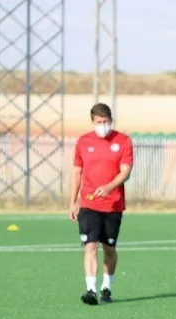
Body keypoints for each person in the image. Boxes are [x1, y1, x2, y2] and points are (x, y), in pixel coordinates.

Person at [69, 103, 134, 305]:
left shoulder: (123, 141)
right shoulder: (83, 142)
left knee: (109, 248)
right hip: (88, 203)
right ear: (92, 122)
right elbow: (76, 172)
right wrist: (72, 201)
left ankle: (107, 286)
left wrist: (109, 187)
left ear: (111, 120)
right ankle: (91, 290)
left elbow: (126, 172)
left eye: (106, 122)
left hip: (113, 204)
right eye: (99, 122)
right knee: (90, 245)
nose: (102, 125)